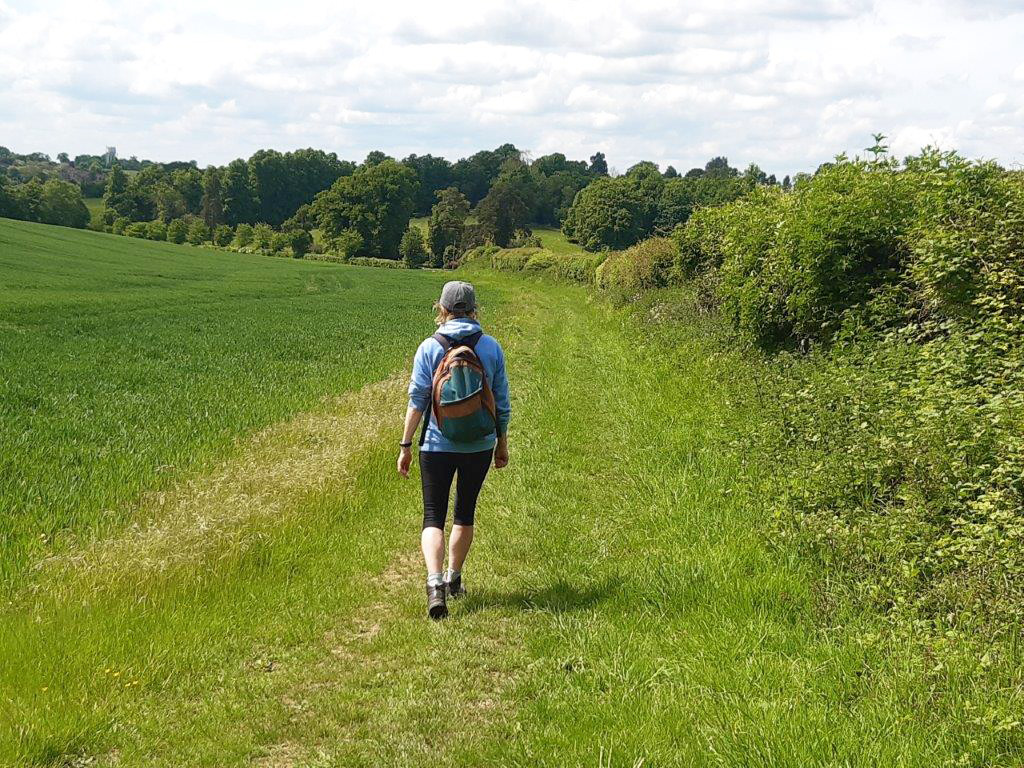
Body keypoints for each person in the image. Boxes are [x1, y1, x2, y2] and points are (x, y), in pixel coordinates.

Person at [397, 280, 510, 619]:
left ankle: (434, 586)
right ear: (475, 309)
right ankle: (454, 579)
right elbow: (501, 402)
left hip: (436, 443)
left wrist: (405, 445)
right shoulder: (490, 347)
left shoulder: (429, 347)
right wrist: (501, 442)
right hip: (479, 443)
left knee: (433, 515)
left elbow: (417, 400)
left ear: (441, 309)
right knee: (465, 511)